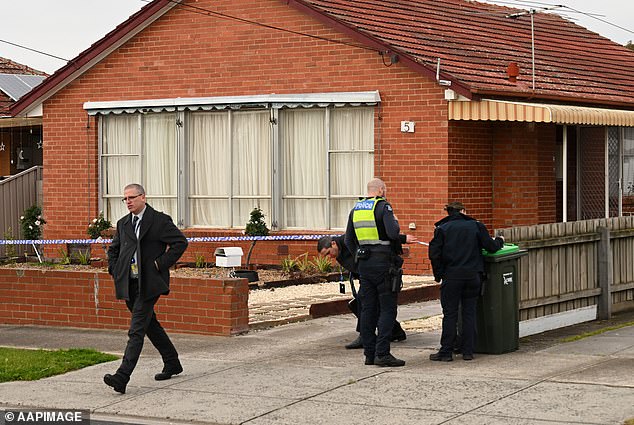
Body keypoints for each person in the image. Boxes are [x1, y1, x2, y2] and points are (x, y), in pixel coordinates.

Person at [104, 183, 188, 394]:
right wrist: (115, 270)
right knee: (150, 325)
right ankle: (172, 362)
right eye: (125, 199)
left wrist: (159, 264)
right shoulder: (123, 223)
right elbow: (113, 250)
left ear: (143, 197)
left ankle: (122, 376)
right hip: (129, 283)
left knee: (137, 330)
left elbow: (180, 242)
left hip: (149, 284)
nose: (128, 202)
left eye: (132, 197)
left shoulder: (159, 220)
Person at [344, 178, 416, 367]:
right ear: (381, 190)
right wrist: (404, 237)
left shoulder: (356, 209)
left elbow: (348, 240)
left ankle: (369, 354)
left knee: (368, 309)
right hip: (384, 264)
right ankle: (382, 354)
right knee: (387, 309)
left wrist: (359, 258)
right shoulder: (383, 207)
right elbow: (392, 234)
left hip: (365, 265)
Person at [428, 201, 504, 362]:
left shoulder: (441, 229)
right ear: (463, 210)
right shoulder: (476, 226)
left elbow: (434, 254)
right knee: (469, 313)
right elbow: (491, 246)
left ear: (449, 213)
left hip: (452, 277)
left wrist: (438, 275)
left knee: (450, 315)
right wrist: (500, 240)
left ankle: (446, 352)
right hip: (472, 276)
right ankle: (468, 351)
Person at [317, 235, 408, 349]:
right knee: (368, 303)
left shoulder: (349, 240)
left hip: (379, 270)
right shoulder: (339, 253)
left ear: (333, 244)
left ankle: (365, 336)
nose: (330, 257)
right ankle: (394, 331)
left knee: (366, 302)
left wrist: (403, 239)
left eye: (328, 253)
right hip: (367, 276)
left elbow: (379, 236)